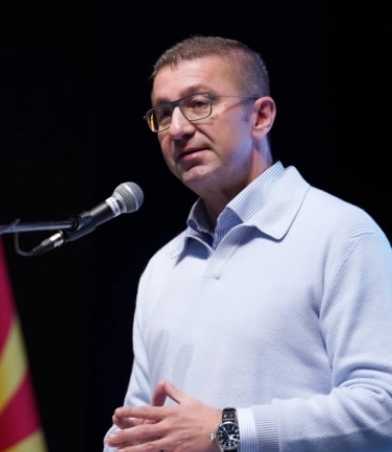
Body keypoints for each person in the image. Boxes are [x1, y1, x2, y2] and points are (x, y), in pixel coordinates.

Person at [103, 35, 392, 451]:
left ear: (260, 116)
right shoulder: (163, 267)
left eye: (198, 103)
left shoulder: (342, 234)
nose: (178, 128)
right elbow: (139, 427)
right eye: (163, 114)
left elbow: (383, 408)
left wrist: (228, 430)